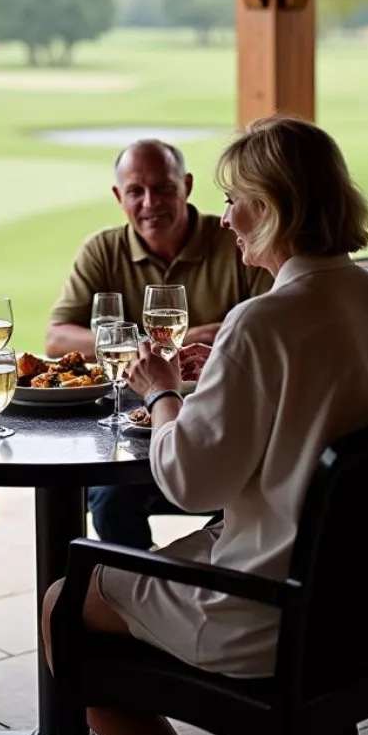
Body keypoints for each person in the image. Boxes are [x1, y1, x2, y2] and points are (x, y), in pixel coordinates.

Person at [42, 116, 368, 735]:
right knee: (188, 549)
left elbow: (191, 484)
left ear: (274, 205)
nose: (223, 219)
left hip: (278, 612)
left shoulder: (265, 322)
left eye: (234, 199)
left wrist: (162, 392)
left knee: (60, 604)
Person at [47, 138, 273, 549]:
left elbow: (271, 323)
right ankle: (141, 586)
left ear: (186, 185)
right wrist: (147, 345)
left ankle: (204, 578)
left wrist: (224, 337)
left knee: (245, 489)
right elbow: (57, 338)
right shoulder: (103, 248)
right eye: (136, 191)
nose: (151, 203)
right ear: (119, 197)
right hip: (138, 426)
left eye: (164, 188)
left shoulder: (235, 241)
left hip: (223, 421)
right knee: (110, 499)